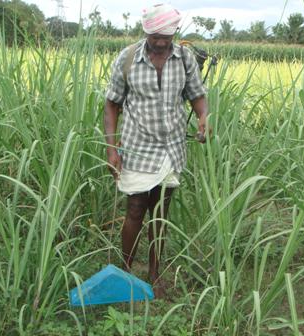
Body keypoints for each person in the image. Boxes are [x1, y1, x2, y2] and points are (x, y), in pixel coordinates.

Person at [103, 3, 210, 297]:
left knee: (160, 212)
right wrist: (111, 150)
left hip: (172, 148)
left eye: (167, 36)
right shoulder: (127, 59)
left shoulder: (185, 58)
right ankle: (124, 273)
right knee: (136, 208)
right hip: (138, 145)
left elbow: (197, 95)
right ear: (145, 31)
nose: (162, 43)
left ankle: (154, 273)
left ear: (174, 32)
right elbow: (112, 105)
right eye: (155, 37)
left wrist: (203, 118)